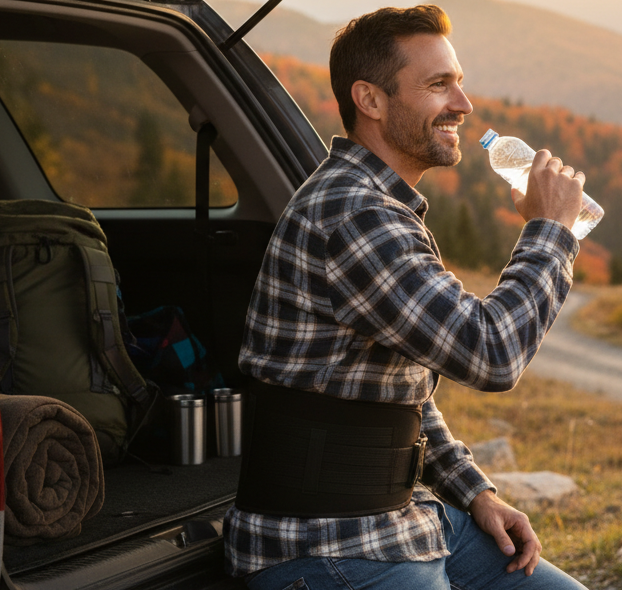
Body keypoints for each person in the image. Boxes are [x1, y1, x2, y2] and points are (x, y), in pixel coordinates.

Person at [224, 4, 588, 590]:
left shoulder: (381, 205)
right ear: (370, 100)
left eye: (459, 82)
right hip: (327, 546)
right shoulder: (355, 214)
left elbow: (398, 390)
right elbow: (491, 353)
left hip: (407, 522)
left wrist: (475, 492)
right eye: (438, 85)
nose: (463, 105)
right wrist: (550, 232)